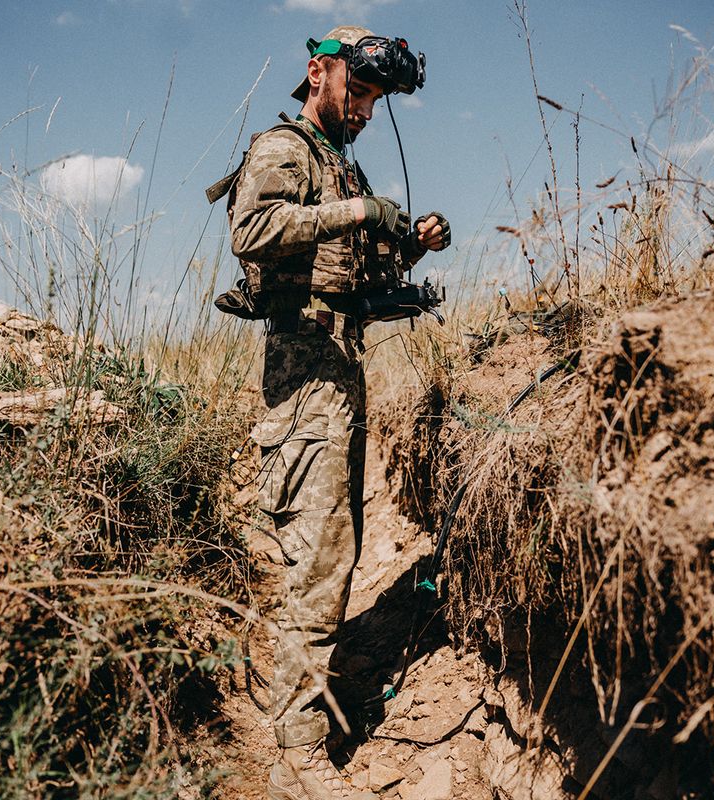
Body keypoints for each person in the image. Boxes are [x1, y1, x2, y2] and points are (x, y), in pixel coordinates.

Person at [213, 25, 450, 799]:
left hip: (340, 373)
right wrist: (360, 214)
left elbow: (360, 274)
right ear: (319, 72)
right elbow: (253, 228)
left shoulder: (340, 169)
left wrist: (409, 244)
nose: (368, 111)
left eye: (378, 101)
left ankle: (305, 716)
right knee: (316, 561)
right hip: (303, 376)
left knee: (336, 552)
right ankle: (296, 750)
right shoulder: (285, 149)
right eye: (362, 91)